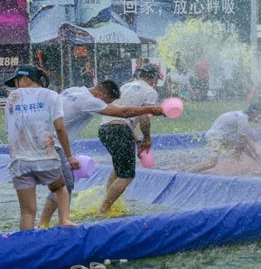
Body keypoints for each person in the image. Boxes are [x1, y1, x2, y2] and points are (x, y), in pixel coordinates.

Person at [39, 80, 164, 228]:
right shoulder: (89, 100)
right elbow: (122, 113)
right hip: (51, 143)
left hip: (41, 137)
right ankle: (55, 223)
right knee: (65, 184)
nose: (105, 106)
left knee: (64, 183)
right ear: (101, 93)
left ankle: (46, 223)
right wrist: (149, 109)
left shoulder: (74, 90)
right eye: (106, 102)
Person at [3, 64, 79, 230]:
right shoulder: (51, 96)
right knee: (59, 188)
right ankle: (64, 219)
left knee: (27, 212)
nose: (15, 85)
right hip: (46, 159)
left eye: (16, 80)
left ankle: (26, 249)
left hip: (20, 162)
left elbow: (14, 129)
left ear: (24, 78)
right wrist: (69, 156)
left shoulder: (12, 98)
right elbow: (59, 127)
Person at [97, 64, 160, 215]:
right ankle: (103, 210)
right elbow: (144, 117)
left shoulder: (126, 86)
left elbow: (124, 118)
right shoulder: (150, 91)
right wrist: (147, 138)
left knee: (118, 167)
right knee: (127, 175)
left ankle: (108, 202)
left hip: (104, 129)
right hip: (119, 130)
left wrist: (137, 141)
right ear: (153, 77)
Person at [187, 103, 261, 174]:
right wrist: (256, 154)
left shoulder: (241, 114)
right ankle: (188, 174)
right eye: (259, 115)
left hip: (219, 137)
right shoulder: (243, 119)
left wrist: (255, 157)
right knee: (212, 163)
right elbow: (246, 139)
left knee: (240, 146)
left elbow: (243, 142)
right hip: (215, 138)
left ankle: (238, 164)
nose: (260, 117)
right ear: (253, 113)